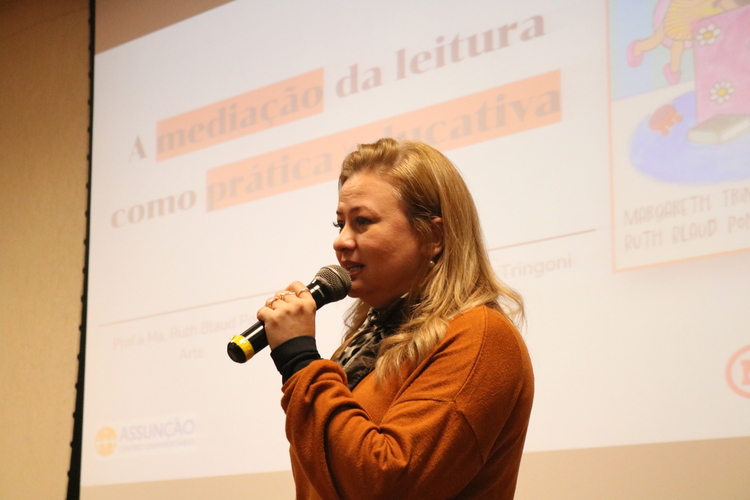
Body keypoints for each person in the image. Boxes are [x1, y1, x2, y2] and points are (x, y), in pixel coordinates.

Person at [257, 138, 534, 499]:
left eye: (363, 222)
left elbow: (385, 483)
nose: (341, 241)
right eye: (340, 224)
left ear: (433, 236)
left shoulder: (479, 336)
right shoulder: (365, 346)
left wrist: (299, 360)